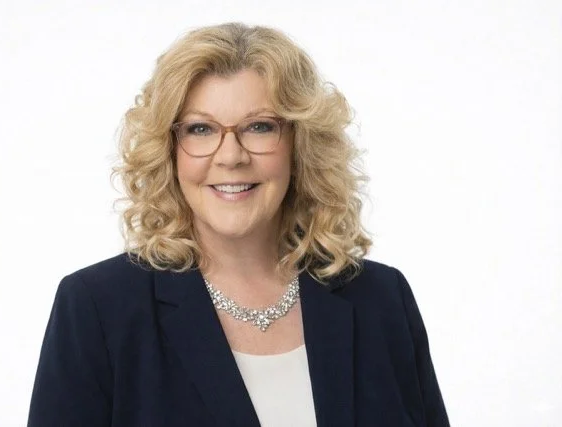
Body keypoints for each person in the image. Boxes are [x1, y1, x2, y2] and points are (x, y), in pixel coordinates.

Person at [27, 22, 449, 427]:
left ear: (300, 144)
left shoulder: (382, 300)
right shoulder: (97, 309)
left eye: (259, 127)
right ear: (169, 151)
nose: (230, 156)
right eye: (200, 129)